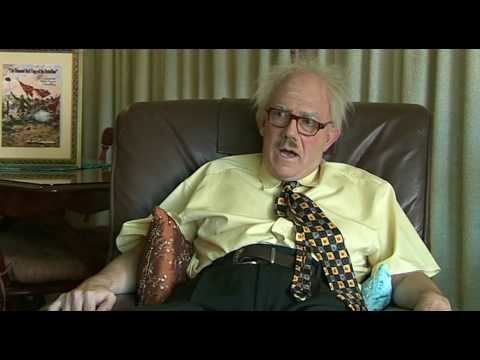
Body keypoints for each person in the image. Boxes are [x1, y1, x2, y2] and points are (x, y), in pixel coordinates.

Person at [48, 61, 451, 311]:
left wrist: (430, 299)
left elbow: (405, 273)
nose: (292, 133)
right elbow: (147, 246)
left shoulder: (371, 191)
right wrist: (98, 284)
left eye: (309, 121)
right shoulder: (215, 175)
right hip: (216, 289)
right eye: (280, 115)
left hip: (317, 294)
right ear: (262, 122)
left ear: (330, 136)